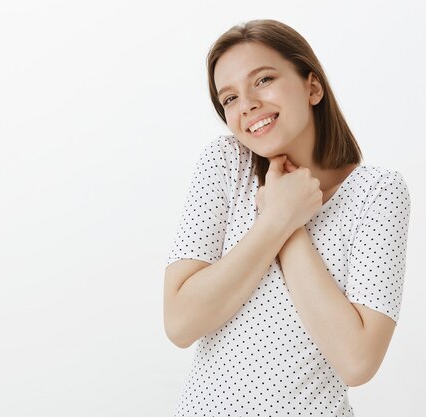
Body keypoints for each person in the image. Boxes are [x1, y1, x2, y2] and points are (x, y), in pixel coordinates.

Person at [163, 19, 411, 416]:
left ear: (313, 87)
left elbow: (358, 361)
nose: (246, 104)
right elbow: (180, 322)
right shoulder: (226, 164)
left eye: (262, 80)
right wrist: (275, 221)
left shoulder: (377, 193)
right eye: (229, 99)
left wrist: (289, 224)